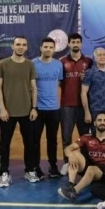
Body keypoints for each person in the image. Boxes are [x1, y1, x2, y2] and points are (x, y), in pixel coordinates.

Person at [0, 36, 39, 187]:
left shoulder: (30, 65)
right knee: (4, 144)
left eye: (24, 45)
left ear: (26, 47)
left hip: (27, 112)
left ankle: (29, 170)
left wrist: (34, 108)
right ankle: (4, 173)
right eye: (18, 44)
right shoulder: (3, 63)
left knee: (29, 144)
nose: (21, 47)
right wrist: (2, 108)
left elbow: (33, 88)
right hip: (7, 113)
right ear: (12, 46)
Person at [58, 113, 105, 202]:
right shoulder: (86, 137)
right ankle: (71, 184)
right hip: (89, 167)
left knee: (91, 169)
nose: (102, 122)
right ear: (95, 123)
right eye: (99, 120)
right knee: (74, 154)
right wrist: (70, 156)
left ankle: (74, 192)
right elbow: (67, 149)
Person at [33, 38, 65, 179]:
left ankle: (53, 166)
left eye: (51, 47)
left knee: (52, 140)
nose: (48, 49)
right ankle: (36, 167)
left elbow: (59, 83)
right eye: (45, 47)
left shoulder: (58, 64)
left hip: (54, 108)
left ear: (54, 49)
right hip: (37, 109)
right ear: (41, 48)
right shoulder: (33, 64)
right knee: (35, 140)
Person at [59, 33, 92, 158]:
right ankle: (67, 163)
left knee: (85, 137)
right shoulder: (62, 61)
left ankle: (85, 163)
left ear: (81, 44)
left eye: (78, 42)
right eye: (73, 42)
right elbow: (58, 83)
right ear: (69, 44)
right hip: (67, 105)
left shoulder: (88, 61)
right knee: (66, 137)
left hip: (84, 106)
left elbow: (93, 82)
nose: (75, 44)